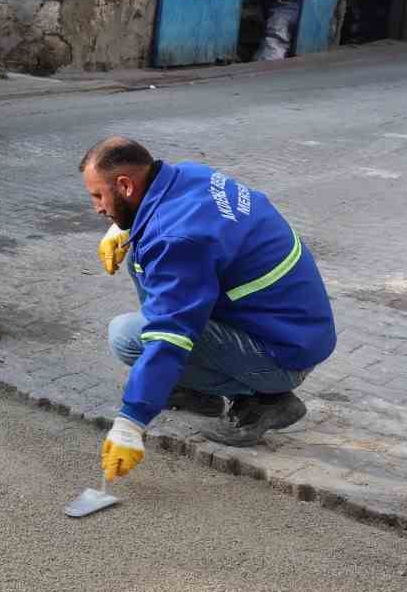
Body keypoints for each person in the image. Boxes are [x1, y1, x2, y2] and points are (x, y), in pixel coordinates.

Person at [81, 137, 337, 480]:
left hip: (283, 353)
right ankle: (198, 390)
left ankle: (266, 400)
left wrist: (131, 422)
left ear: (126, 185)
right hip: (295, 327)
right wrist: (122, 227)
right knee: (142, 258)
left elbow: (170, 336)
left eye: (99, 196)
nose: (97, 207)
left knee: (128, 337)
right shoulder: (188, 175)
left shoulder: (178, 239)